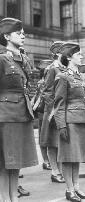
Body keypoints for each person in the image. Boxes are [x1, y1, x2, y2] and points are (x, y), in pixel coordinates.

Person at [0, 17, 38, 202]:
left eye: (23, 33)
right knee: (4, 162)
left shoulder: (23, 58)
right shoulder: (1, 59)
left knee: (15, 162)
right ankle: (5, 198)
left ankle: (13, 197)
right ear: (6, 36)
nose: (23, 35)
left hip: (22, 113)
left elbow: (28, 86)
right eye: (18, 33)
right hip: (5, 116)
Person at [52, 42, 85, 201]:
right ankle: (69, 190)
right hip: (70, 121)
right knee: (68, 157)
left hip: (82, 119)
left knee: (76, 156)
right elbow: (59, 103)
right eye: (78, 54)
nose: (81, 56)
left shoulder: (80, 76)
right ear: (69, 57)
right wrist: (61, 125)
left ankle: (77, 187)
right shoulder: (62, 76)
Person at [40, 41, 66, 183]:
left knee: (60, 142)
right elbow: (47, 92)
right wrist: (53, 111)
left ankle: (60, 170)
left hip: (62, 110)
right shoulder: (52, 69)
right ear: (58, 53)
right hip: (53, 112)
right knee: (52, 142)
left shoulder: (63, 68)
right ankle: (55, 171)